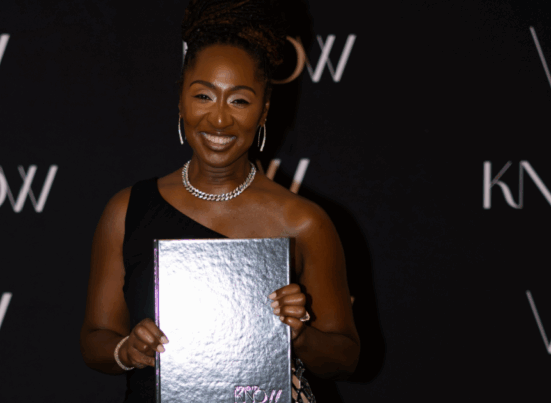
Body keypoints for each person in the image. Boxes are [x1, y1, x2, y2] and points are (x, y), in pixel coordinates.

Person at [80, 0, 359, 401]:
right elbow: (94, 339)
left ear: (264, 111)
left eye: (240, 100)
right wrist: (126, 349)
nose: (220, 120)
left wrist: (296, 336)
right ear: (180, 100)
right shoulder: (126, 210)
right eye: (204, 96)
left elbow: (345, 358)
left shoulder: (303, 221)